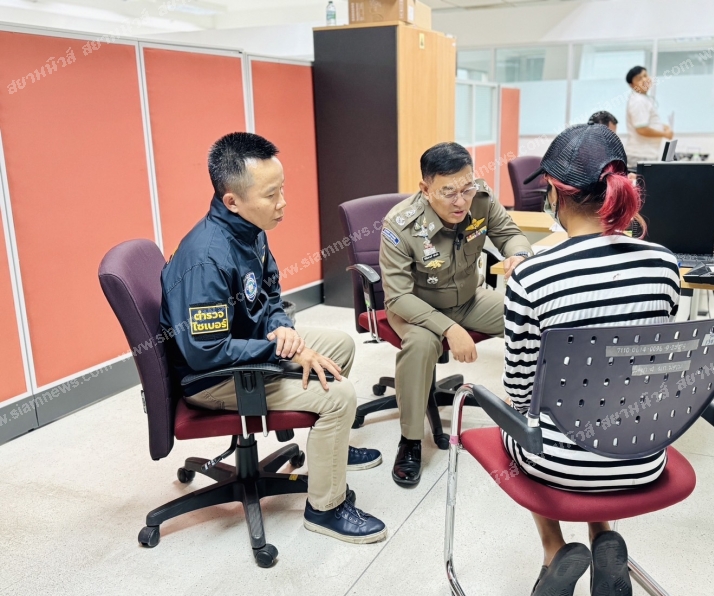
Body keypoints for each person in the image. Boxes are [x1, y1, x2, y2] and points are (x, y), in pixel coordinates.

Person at [160, 132, 386, 544]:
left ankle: (330, 447)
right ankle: (326, 509)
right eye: (271, 195)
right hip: (213, 378)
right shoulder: (206, 259)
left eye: (281, 189)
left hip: (247, 344)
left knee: (341, 346)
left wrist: (281, 325)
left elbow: (270, 291)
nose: (283, 203)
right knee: (339, 397)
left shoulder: (250, 229)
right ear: (232, 200)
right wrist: (281, 349)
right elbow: (206, 352)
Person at [503, 124, 680, 596]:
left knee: (519, 416)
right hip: (643, 455)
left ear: (554, 194)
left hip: (561, 465)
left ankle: (554, 549)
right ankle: (603, 535)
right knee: (606, 402)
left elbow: (520, 392)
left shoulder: (532, 277)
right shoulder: (665, 264)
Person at [380, 142, 532, 488]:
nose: (461, 201)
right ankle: (410, 441)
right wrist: (449, 328)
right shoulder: (400, 225)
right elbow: (399, 296)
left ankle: (531, 411)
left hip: (468, 298)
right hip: (416, 309)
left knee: (529, 316)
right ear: (425, 189)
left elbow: (511, 235)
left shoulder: (481, 199)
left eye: (466, 188)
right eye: (448, 192)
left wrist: (519, 255)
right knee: (421, 345)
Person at [625, 66, 673, 169]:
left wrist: (663, 127)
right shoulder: (638, 101)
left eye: (645, 75)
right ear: (631, 85)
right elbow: (641, 129)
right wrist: (665, 134)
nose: (644, 79)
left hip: (645, 154)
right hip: (640, 155)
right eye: (639, 78)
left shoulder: (643, 98)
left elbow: (647, 123)